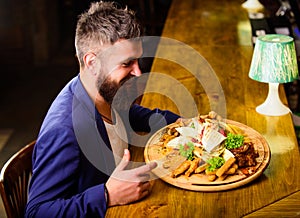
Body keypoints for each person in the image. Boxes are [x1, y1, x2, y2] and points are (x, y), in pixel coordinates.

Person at [25, 1, 179, 217]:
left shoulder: (102, 91)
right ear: (92, 63)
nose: (138, 72)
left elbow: (133, 114)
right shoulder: (64, 130)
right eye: (127, 63)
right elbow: (36, 212)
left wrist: (184, 125)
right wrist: (107, 195)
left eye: (137, 61)